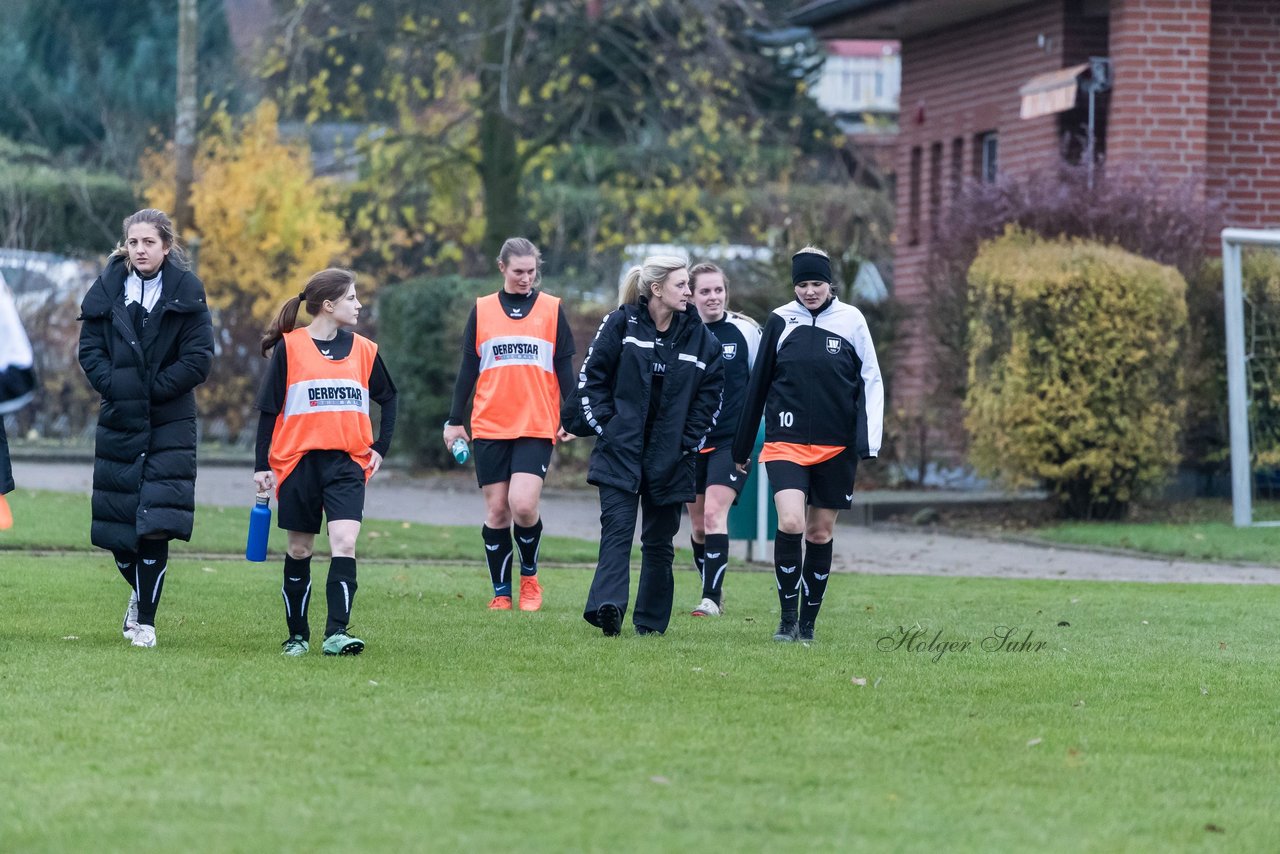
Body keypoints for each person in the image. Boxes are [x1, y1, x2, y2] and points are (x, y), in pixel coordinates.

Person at [563, 255, 725, 636]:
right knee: (616, 531)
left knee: (658, 542)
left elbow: (711, 399)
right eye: (682, 285)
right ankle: (609, 607)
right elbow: (591, 381)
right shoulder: (620, 323)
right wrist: (610, 427)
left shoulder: (703, 341)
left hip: (672, 458)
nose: (690, 292)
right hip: (620, 451)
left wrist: (686, 445)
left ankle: (650, 623)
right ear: (656, 289)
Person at [77, 208, 214, 648]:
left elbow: (198, 359)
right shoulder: (107, 290)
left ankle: (147, 623)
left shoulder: (188, 293)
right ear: (126, 245)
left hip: (170, 422)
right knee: (118, 534)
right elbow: (90, 350)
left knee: (154, 523)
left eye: (149, 243)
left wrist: (152, 388)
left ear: (166, 246)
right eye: (133, 242)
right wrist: (118, 386)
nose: (140, 250)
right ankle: (139, 593)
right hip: (120, 418)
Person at [732, 246, 883, 643]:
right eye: (802, 284)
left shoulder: (852, 320)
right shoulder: (781, 321)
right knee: (791, 522)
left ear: (830, 283)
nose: (809, 292)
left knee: (818, 533)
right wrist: (741, 447)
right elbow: (758, 385)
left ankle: (809, 624)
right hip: (786, 442)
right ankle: (786, 620)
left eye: (816, 284)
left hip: (836, 447)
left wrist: (868, 440)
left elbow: (871, 379)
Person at [253, 268, 398, 657]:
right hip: (299, 463)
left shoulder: (365, 349)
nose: (359, 304)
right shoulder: (290, 347)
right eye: (352, 297)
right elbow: (268, 411)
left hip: (348, 463)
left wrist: (380, 446)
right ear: (329, 305)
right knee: (300, 550)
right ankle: (297, 636)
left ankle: (336, 633)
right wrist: (261, 465)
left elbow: (389, 397)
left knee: (345, 543)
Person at [444, 238, 576, 612]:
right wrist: (455, 421)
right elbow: (468, 369)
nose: (526, 279)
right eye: (518, 271)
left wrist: (572, 415)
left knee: (522, 504)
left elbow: (564, 368)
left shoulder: (551, 309)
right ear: (501, 267)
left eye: (532, 271)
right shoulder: (483, 309)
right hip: (489, 424)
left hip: (536, 423)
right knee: (498, 511)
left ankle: (530, 580)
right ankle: (501, 592)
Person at [683, 263, 761, 617]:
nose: (713, 297)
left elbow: (763, 384)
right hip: (690, 443)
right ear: (691, 295)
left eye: (718, 290)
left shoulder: (745, 332)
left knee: (715, 514)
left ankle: (710, 600)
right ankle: (710, 588)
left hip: (731, 441)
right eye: (705, 291)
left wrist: (756, 436)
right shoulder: (682, 331)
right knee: (698, 526)